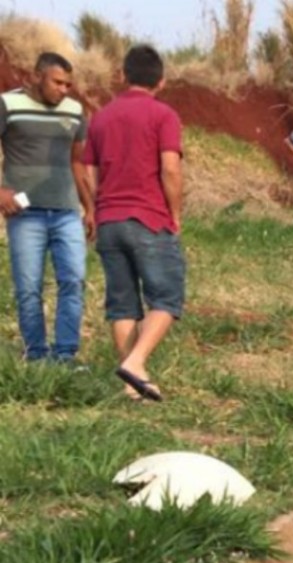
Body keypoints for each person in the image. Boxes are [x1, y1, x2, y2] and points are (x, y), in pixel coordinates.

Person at [83, 45, 187, 402]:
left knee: (123, 304)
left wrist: (95, 208)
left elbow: (88, 170)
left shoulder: (101, 117)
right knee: (167, 297)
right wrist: (174, 213)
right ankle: (137, 360)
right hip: (148, 218)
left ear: (122, 76)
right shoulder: (163, 115)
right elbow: (170, 168)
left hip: (109, 220)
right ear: (161, 80)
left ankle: (132, 385)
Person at [0, 52, 92, 363]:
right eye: (57, 82)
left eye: (68, 84)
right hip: (25, 215)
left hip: (67, 212)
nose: (64, 89)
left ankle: (66, 355)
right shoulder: (8, 105)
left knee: (74, 281)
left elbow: (78, 162)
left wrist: (90, 208)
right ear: (37, 75)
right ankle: (36, 356)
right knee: (28, 287)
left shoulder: (75, 111)